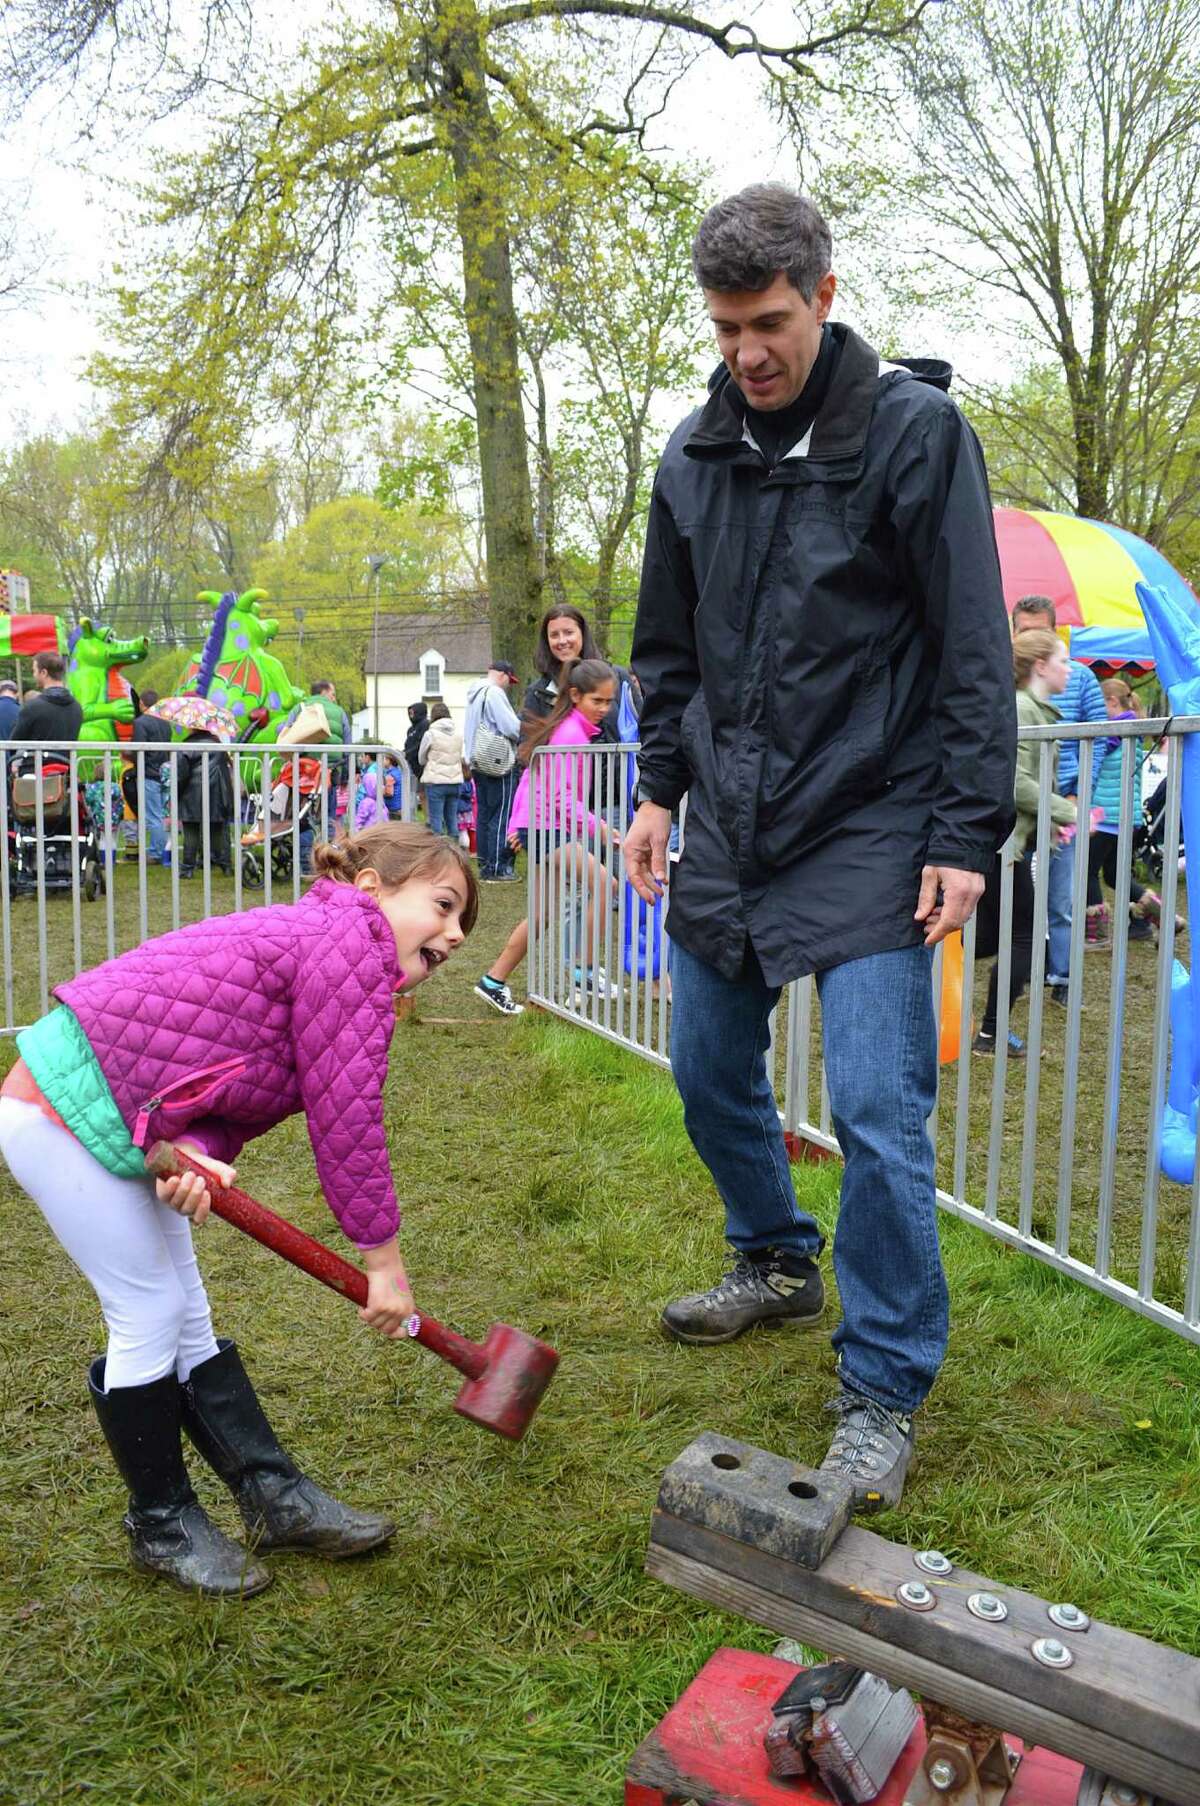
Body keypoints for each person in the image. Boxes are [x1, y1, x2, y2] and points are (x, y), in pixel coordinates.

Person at [622, 184, 1015, 1511]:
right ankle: (778, 1259)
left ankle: (884, 1386)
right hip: (733, 819)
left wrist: (964, 827)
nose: (749, 352)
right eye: (728, 327)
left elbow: (972, 647)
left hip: (877, 819)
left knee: (877, 1111)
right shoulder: (693, 454)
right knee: (706, 1063)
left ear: (826, 296)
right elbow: (666, 650)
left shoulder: (914, 435)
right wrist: (659, 788)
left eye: (771, 322)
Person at [0, 822, 477, 1596]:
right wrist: (382, 1263)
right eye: (445, 906)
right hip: (61, 1110)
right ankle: (159, 1523)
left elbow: (234, 1079)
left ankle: (272, 1497)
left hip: (124, 1120)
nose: (456, 936)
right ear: (372, 889)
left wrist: (197, 1149)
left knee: (185, 1312)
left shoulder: (332, 942)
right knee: (148, 1310)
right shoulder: (347, 946)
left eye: (465, 923)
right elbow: (345, 1115)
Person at [475, 659, 619, 1017]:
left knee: (541, 914)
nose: (604, 709)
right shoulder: (571, 735)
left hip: (540, 827)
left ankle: (493, 981)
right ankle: (585, 972)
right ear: (575, 696)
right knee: (605, 883)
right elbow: (561, 800)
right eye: (597, 701)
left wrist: (516, 825)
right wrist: (601, 830)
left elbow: (531, 777)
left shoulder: (570, 731)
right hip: (548, 829)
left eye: (608, 702)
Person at [971, 630, 1076, 1057]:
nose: (1069, 669)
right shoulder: (1023, 709)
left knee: (995, 935)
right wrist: (1071, 812)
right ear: (1040, 666)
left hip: (1013, 843)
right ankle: (991, 1033)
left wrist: (1051, 823)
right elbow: (1016, 783)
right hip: (1005, 845)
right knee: (1026, 938)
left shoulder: (1034, 709)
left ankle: (986, 1027)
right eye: (1064, 660)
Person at [1007, 595, 1107, 1001]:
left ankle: (1061, 978)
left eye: (1039, 631)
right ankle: (1015, 973)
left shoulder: (1079, 679)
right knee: (1017, 911)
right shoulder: (1005, 682)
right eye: (1023, 631)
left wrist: (1075, 795)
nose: (1029, 639)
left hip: (1062, 803)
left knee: (1061, 899)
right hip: (1028, 811)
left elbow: (1098, 738)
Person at [1087, 678, 1184, 945]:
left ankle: (1096, 934)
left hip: (1105, 817)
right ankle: (1160, 917)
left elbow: (1094, 755)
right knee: (1116, 875)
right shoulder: (1136, 731)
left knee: (1086, 872)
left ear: (1111, 702)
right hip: (1127, 818)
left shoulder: (1114, 732)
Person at [464, 660, 522, 880]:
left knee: (485, 815)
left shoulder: (474, 693)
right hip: (497, 762)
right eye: (510, 680)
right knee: (502, 814)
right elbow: (510, 727)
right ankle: (497, 866)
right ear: (503, 675)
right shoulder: (494, 693)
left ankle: (485, 863)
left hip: (478, 760)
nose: (509, 685)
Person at [176, 729, 234, 878]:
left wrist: (177, 793)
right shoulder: (218, 745)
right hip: (217, 792)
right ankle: (226, 865)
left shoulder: (186, 745)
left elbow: (181, 774)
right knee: (218, 831)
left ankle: (187, 869)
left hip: (191, 792)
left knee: (191, 831)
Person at [130, 689, 172, 863]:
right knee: (161, 815)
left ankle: (156, 853)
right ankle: (161, 850)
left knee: (153, 816)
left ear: (141, 703)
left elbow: (139, 748)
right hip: (163, 772)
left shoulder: (140, 722)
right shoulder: (165, 723)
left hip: (148, 772)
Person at [418, 703, 466, 841]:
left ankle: (437, 856)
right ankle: (455, 852)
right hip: (455, 781)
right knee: (452, 821)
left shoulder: (430, 734)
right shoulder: (458, 734)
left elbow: (421, 759)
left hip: (436, 781)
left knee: (436, 823)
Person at [12, 651, 83, 742]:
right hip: (66, 756)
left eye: (34, 671)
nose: (34, 675)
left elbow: (14, 744)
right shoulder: (76, 707)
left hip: (37, 756)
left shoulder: (32, 707)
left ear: (44, 673)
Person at [404, 701, 430, 814]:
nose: (411, 716)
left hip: (424, 766)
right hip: (414, 767)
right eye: (409, 713)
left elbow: (421, 744)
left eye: (412, 713)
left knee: (426, 794)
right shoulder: (410, 730)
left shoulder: (426, 725)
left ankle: (431, 819)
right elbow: (408, 744)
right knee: (420, 794)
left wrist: (408, 753)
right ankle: (427, 818)